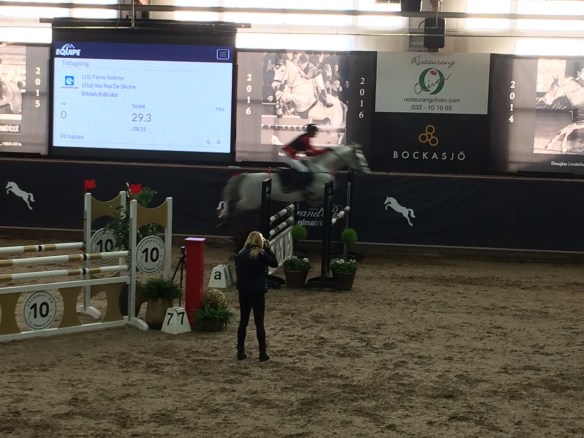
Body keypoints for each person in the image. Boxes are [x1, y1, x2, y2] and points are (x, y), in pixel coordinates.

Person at [235, 230, 278, 361]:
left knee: (243, 321)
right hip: (258, 292)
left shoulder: (240, 254)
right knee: (259, 323)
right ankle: (262, 353)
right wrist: (268, 249)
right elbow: (274, 263)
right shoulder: (261, 254)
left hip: (243, 291)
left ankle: (240, 351)